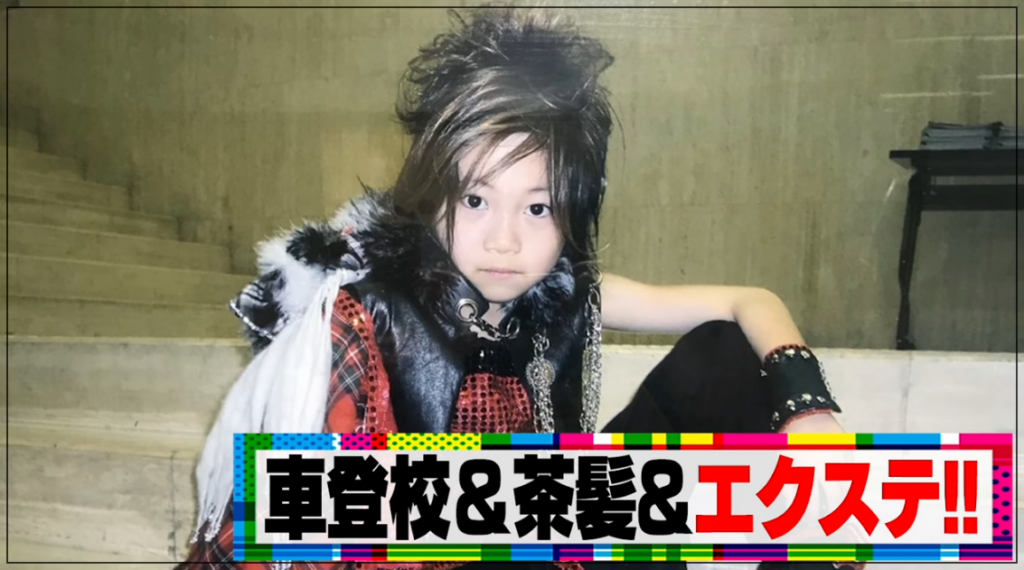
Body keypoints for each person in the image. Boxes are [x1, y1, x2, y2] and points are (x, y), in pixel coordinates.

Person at [177, 7, 855, 570]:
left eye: (538, 208)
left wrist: (807, 412)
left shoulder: (559, 293)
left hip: (541, 526)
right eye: (476, 201)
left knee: (728, 354)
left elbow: (749, 302)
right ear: (435, 195)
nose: (505, 241)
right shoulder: (367, 314)